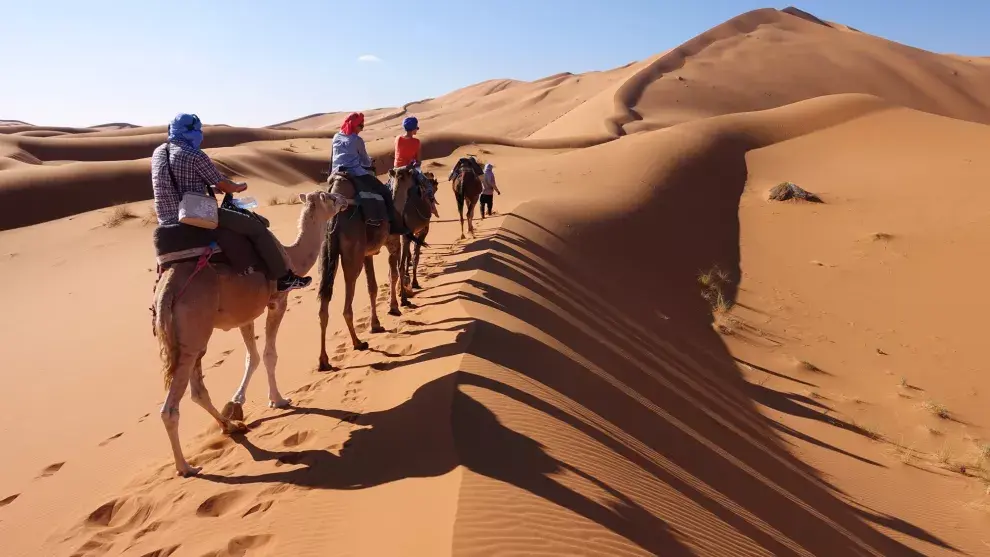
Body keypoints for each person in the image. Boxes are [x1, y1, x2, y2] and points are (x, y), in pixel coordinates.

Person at [151, 113, 311, 292]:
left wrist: (209, 188)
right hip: (195, 216)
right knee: (256, 228)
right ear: (191, 132)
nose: (200, 134)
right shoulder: (194, 154)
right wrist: (237, 187)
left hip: (165, 221)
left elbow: (178, 183)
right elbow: (225, 185)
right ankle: (283, 278)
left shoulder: (159, 153)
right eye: (198, 130)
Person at [330, 112, 411, 235]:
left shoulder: (336, 136)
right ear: (354, 126)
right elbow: (364, 161)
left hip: (335, 173)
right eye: (360, 126)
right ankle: (393, 225)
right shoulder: (357, 140)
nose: (361, 130)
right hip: (354, 172)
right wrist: (370, 161)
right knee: (384, 192)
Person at [393, 116, 438, 216]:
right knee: (428, 186)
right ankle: (432, 207)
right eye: (416, 128)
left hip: (396, 170)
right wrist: (414, 163)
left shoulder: (398, 138)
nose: (417, 130)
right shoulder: (416, 142)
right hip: (409, 170)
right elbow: (418, 160)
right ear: (413, 129)